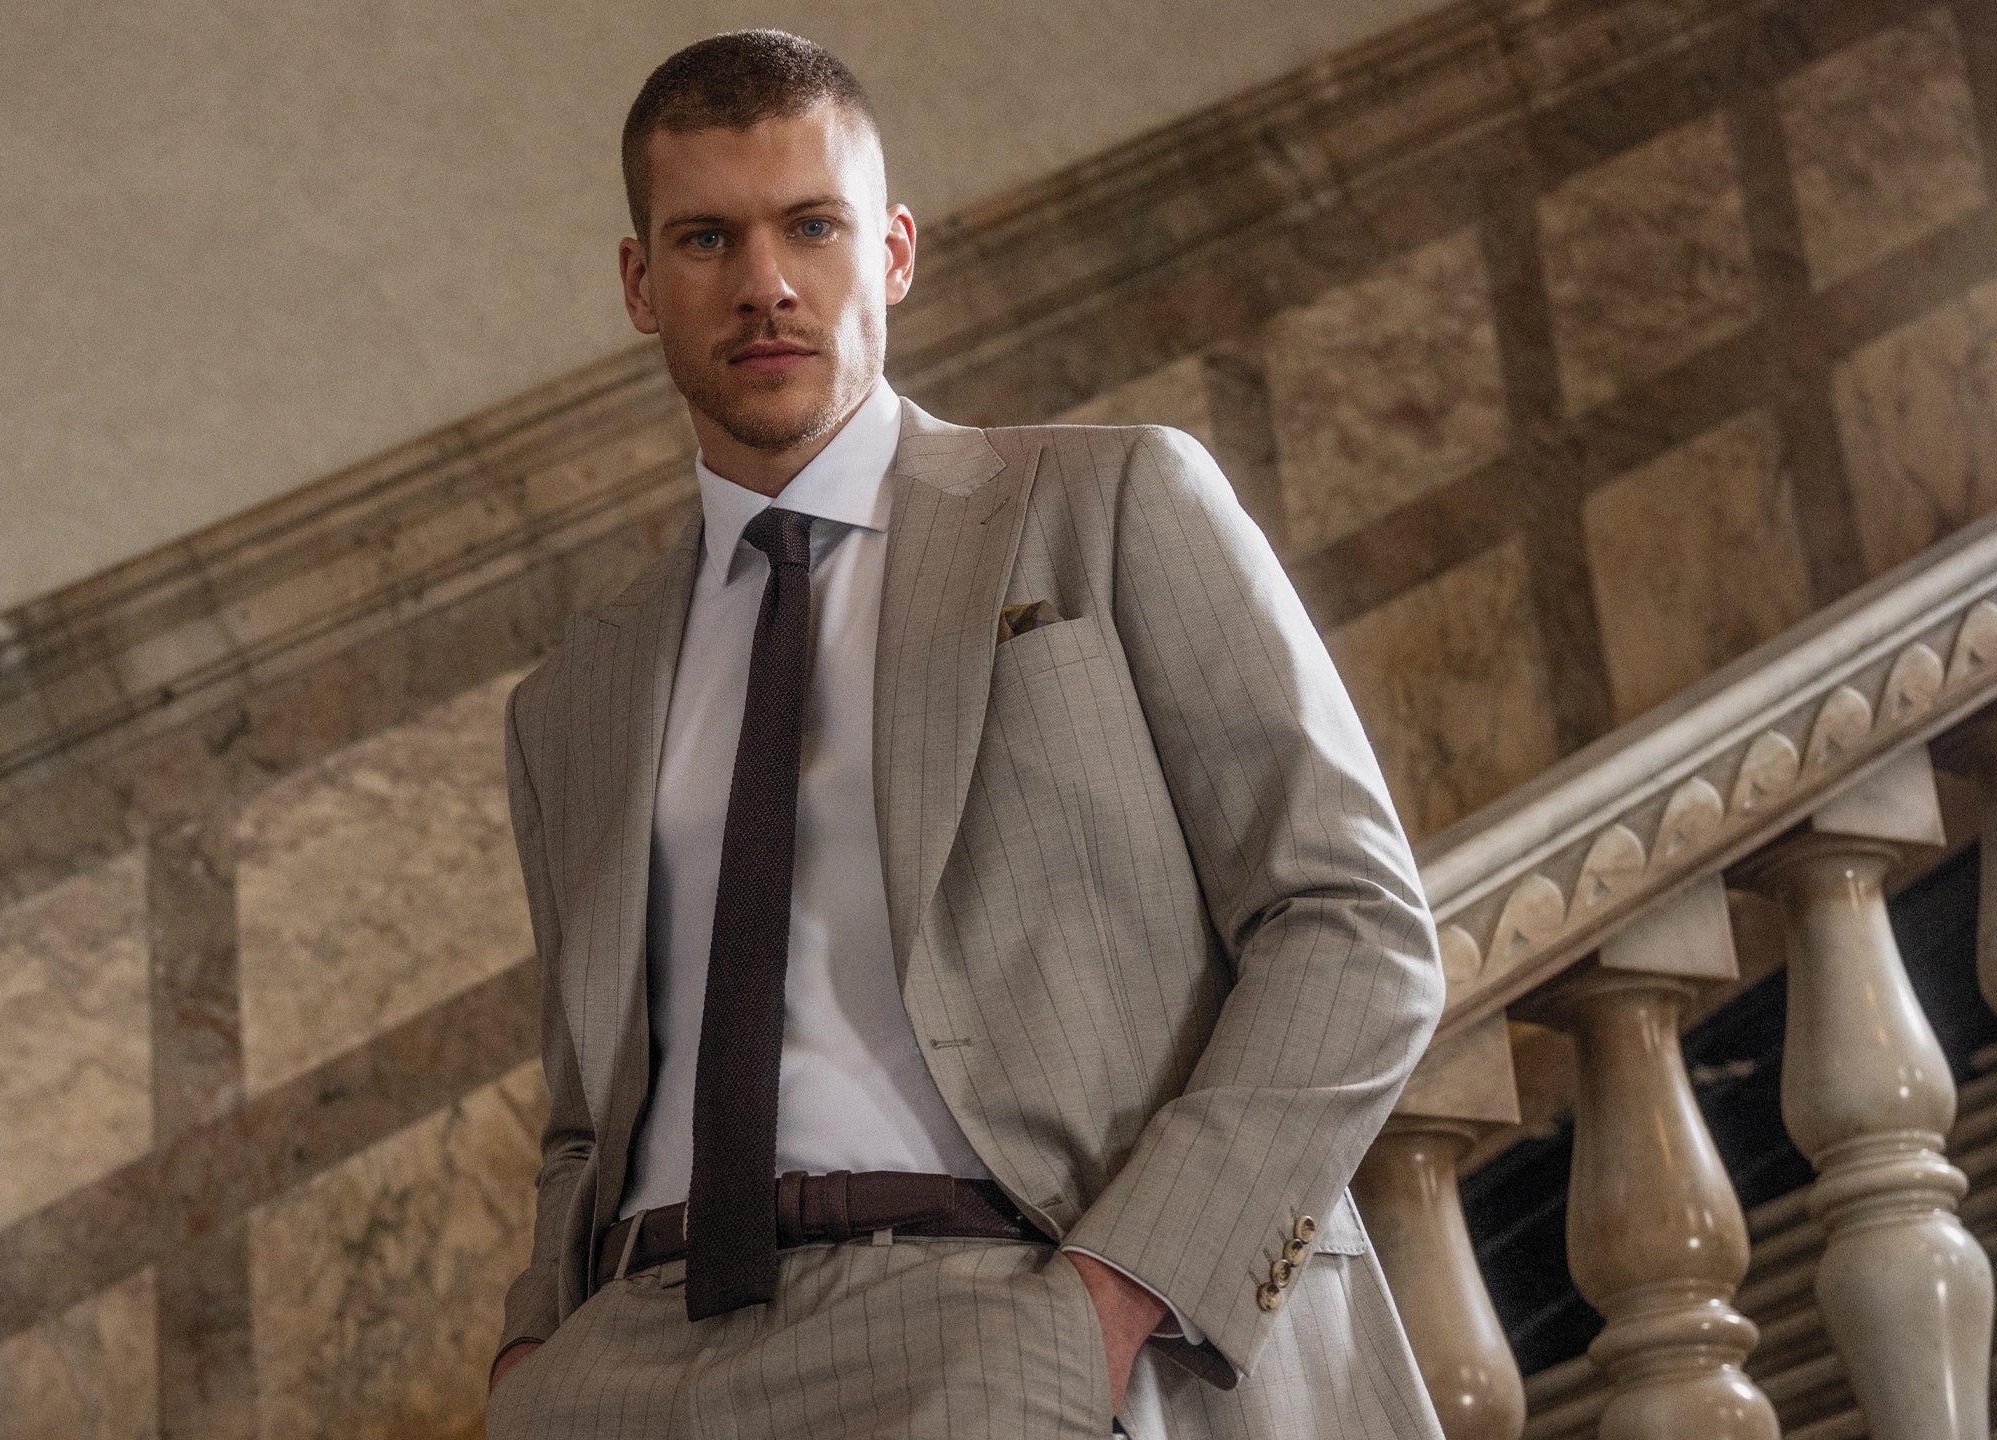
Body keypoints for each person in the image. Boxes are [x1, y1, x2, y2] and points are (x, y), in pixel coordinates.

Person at [485, 29, 1445, 1440]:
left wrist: (1123, 1293)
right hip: (628, 1357)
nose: (763, 284)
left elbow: (1352, 922)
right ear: (642, 284)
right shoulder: (571, 701)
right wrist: (530, 1362)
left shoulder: (1109, 505)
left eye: (811, 226)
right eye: (706, 238)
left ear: (894, 251)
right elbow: (589, 1110)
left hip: (993, 1308)